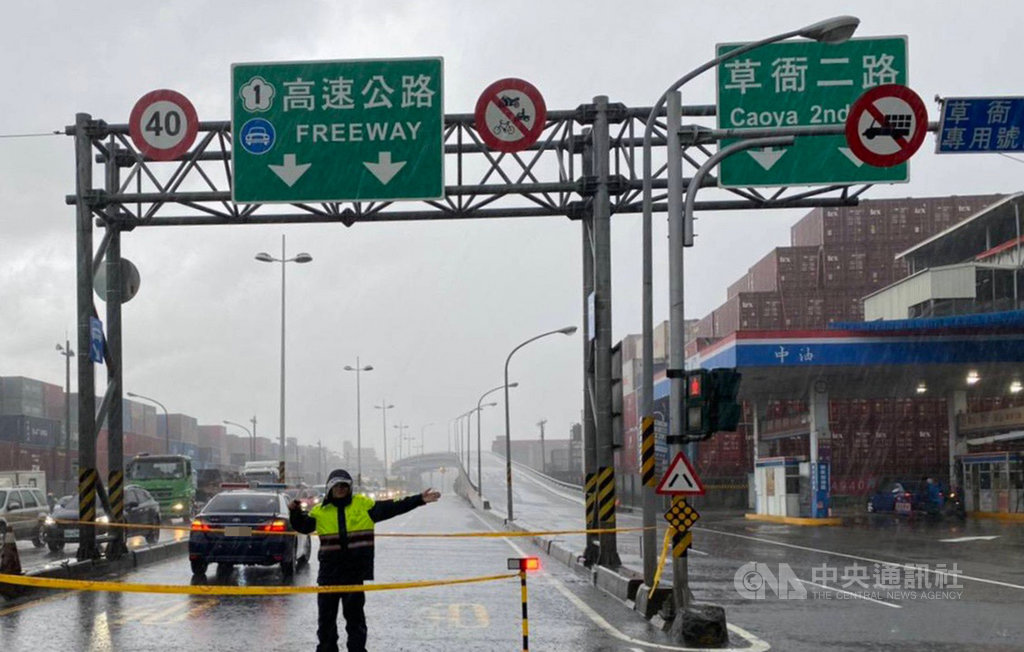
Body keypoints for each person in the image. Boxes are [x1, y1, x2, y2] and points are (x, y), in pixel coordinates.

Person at [289, 468, 440, 652]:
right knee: (326, 625)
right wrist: (295, 513)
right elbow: (302, 526)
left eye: (345, 485)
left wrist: (419, 500)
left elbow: (392, 507)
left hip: (354, 575)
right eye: (337, 486)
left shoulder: (363, 506)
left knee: (356, 623)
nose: (341, 489)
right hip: (329, 577)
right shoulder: (320, 512)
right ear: (330, 489)